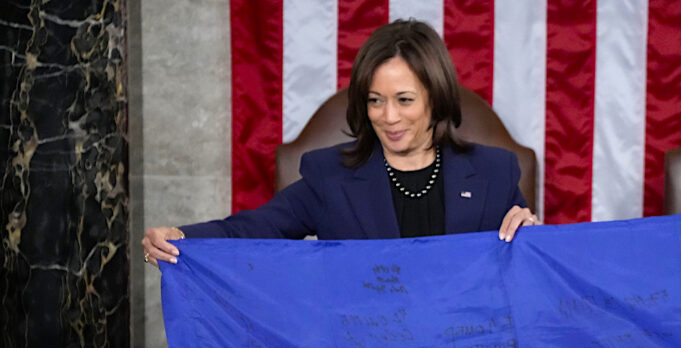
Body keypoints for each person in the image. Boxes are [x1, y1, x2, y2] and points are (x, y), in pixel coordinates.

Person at [141, 20, 538, 268]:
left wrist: (532, 238)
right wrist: (182, 236)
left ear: (435, 98)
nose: (388, 117)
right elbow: (253, 228)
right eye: (375, 100)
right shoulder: (329, 177)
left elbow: (528, 272)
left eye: (404, 100)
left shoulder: (493, 171)